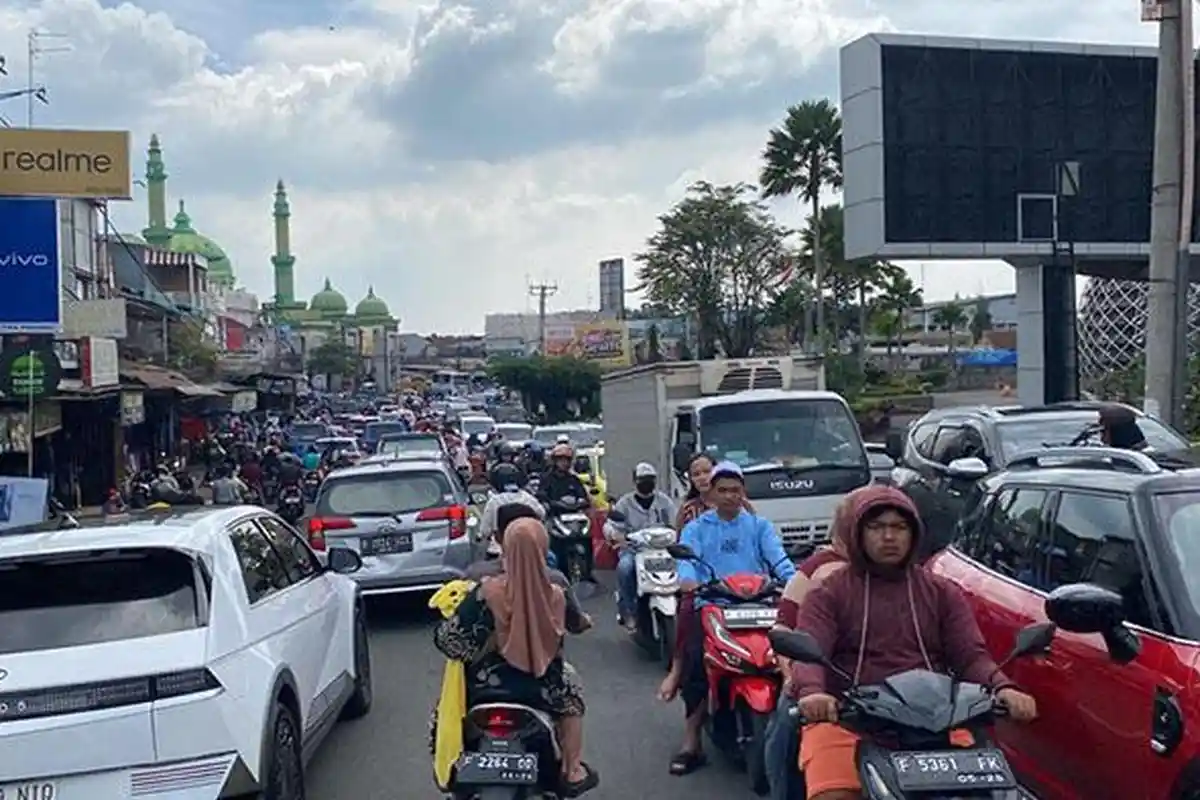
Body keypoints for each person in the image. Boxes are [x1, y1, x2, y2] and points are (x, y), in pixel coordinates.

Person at [789, 485, 1038, 800]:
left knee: (997, 791)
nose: (889, 536)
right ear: (857, 533)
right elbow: (810, 650)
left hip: (936, 724)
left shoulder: (942, 592)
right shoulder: (828, 593)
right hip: (850, 720)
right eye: (877, 527)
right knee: (834, 795)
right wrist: (814, 693)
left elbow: (970, 655)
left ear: (914, 533)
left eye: (899, 527)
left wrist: (1004, 688)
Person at [433, 519, 600, 796]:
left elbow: (451, 642)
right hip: (544, 689)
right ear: (542, 547)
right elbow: (576, 624)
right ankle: (572, 770)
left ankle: (448, 771)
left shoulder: (486, 592)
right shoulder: (556, 592)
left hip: (486, 687)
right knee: (572, 695)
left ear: (505, 547)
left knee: (442, 713)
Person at [659, 461, 796, 776]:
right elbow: (687, 563)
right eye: (723, 490)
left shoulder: (759, 526)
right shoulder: (697, 528)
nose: (730, 497)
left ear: (743, 492)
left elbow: (779, 559)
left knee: (792, 654)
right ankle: (691, 742)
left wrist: (795, 581)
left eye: (736, 490)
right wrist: (688, 579)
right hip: (713, 604)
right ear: (712, 493)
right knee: (695, 662)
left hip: (759, 604)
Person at [763, 489, 861, 800]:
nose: (886, 536)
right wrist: (798, 679)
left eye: (896, 526)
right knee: (784, 733)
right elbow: (785, 627)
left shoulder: (921, 584)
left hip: (895, 697)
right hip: (825, 686)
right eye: (871, 524)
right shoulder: (819, 571)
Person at [466, 501, 587, 626]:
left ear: (497, 537)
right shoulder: (555, 581)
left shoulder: (476, 575)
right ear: (540, 538)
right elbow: (576, 624)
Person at [605, 462, 677, 632]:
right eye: (642, 480)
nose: (646, 483)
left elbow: (674, 523)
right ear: (635, 481)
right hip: (634, 550)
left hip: (662, 550)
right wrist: (616, 536)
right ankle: (629, 611)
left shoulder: (664, 502)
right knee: (625, 568)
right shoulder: (625, 503)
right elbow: (611, 525)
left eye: (650, 479)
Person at [538, 444, 590, 508]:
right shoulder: (546, 479)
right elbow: (542, 498)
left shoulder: (573, 479)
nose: (565, 463)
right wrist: (556, 503)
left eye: (567, 460)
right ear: (554, 461)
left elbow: (584, 498)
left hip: (575, 514)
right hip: (555, 514)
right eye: (561, 460)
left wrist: (580, 502)